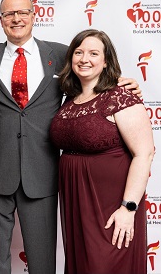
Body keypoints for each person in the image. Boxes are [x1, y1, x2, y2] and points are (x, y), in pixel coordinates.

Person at [0, 0, 141, 274]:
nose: (16, 19)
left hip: (43, 171)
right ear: (0, 20)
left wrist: (123, 82)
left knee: (43, 261)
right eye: (9, 14)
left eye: (23, 12)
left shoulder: (63, 54)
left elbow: (92, 74)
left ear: (34, 15)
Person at [50, 29, 154, 274]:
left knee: (107, 264)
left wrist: (128, 208)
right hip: (76, 202)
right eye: (79, 52)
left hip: (111, 204)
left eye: (94, 53)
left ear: (106, 61)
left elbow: (145, 153)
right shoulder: (69, 98)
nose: (85, 59)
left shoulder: (121, 96)